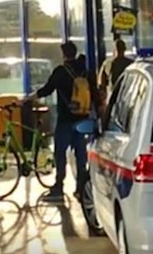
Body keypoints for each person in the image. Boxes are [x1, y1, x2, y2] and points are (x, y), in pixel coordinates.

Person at [24, 41, 101, 202]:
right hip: (83, 120)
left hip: (66, 119)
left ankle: (59, 186)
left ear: (64, 54)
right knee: (81, 155)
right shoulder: (86, 72)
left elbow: (46, 90)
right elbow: (95, 95)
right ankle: (81, 188)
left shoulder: (60, 71)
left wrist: (27, 98)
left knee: (60, 153)